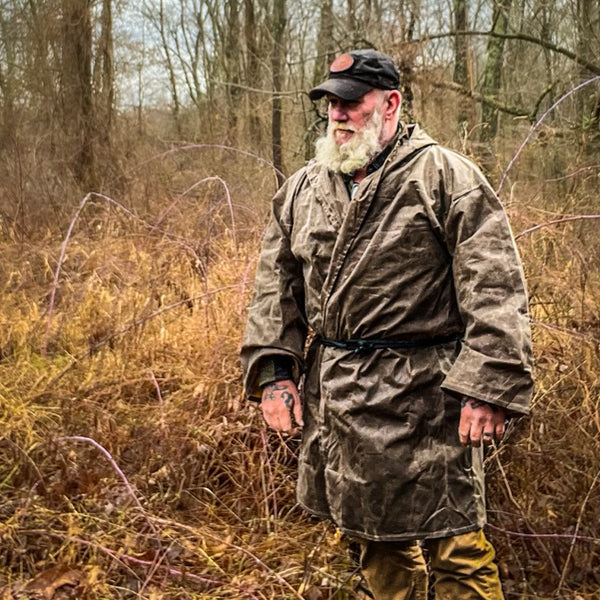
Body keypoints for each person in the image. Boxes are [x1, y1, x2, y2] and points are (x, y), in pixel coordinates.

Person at [241, 49, 533, 600]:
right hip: (339, 392)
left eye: (351, 102)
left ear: (391, 103)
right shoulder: (304, 188)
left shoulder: (445, 176)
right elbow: (275, 289)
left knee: (458, 545)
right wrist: (276, 373)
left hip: (428, 395)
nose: (337, 114)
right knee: (371, 536)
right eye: (330, 102)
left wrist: (489, 386)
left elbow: (495, 289)